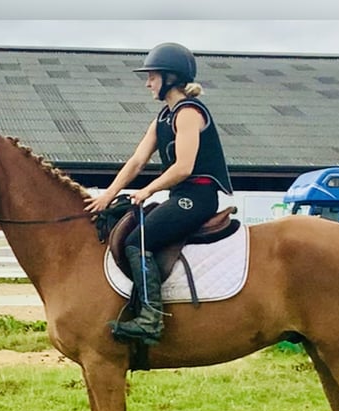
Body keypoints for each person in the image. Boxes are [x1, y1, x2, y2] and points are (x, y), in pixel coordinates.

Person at [85, 42, 233, 345]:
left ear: (170, 77)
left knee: (137, 240)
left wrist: (148, 190)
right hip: (179, 196)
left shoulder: (188, 113)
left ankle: (150, 319)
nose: (147, 82)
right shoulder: (163, 118)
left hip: (199, 197)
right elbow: (137, 161)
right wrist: (108, 195)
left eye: (152, 76)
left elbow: (184, 167)